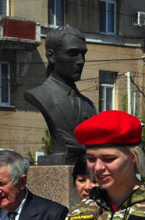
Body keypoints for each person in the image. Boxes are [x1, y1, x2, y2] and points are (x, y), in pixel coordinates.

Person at [24, 26, 96, 165]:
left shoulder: (89, 106)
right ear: (51, 56)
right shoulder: (41, 95)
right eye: (72, 54)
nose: (81, 61)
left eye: (83, 54)